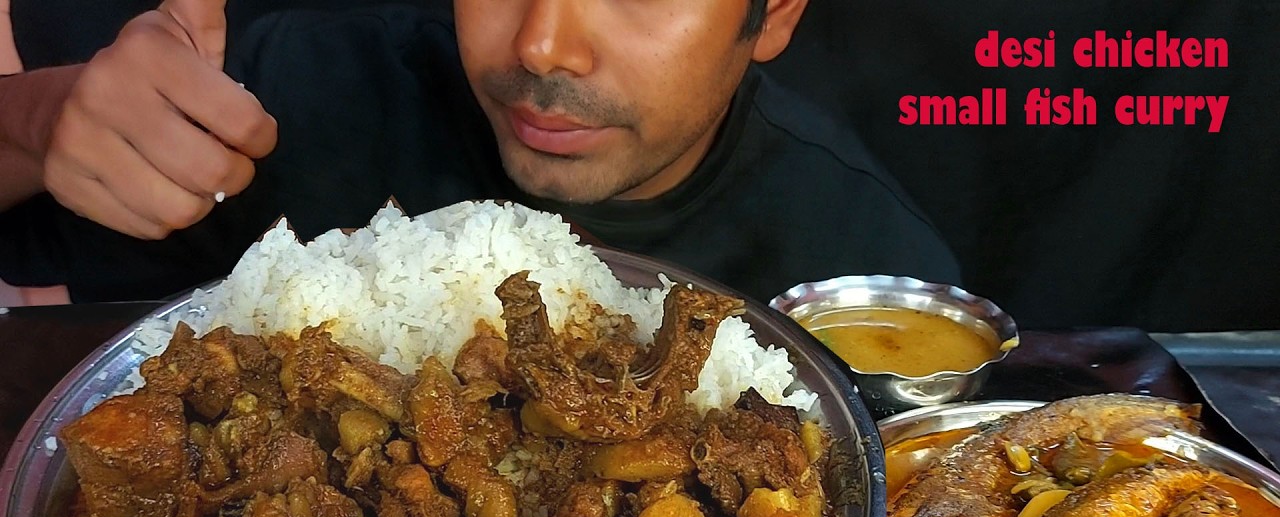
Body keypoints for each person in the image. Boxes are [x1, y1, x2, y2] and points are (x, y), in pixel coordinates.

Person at [0, 0, 960, 304]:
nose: (542, 45)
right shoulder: (302, 86)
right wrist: (37, 124)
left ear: (776, 12)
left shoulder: (867, 263)